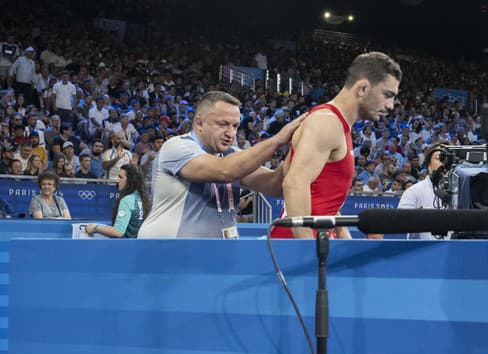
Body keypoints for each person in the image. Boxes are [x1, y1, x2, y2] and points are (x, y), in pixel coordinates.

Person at [137, 91, 305, 239]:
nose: (230, 133)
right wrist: (277, 140)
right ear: (199, 123)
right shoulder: (177, 147)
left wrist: (299, 147)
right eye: (223, 124)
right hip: (167, 251)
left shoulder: (232, 155)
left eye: (235, 126)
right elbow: (224, 171)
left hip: (214, 253)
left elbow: (275, 185)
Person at [277, 52, 402, 239]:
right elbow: (295, 183)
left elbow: (323, 195)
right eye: (387, 95)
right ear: (363, 89)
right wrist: (308, 248)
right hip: (302, 243)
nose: (391, 105)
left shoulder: (337, 124)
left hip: (317, 237)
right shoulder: (327, 122)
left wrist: (342, 234)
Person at [398, 143, 452, 240]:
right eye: (440, 157)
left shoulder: (465, 191)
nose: (445, 162)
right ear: (428, 165)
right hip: (425, 250)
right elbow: (401, 223)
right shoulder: (413, 192)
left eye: (449, 157)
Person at [84, 164, 150, 238]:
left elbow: (118, 231)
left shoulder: (127, 200)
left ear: (131, 180)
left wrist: (95, 228)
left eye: (121, 177)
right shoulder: (142, 198)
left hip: (124, 246)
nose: (117, 180)